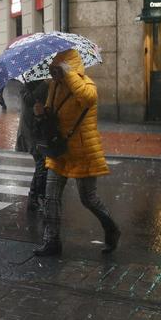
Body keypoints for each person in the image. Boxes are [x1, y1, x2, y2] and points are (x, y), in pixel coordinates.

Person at [33, 49, 119, 256]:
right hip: (59, 150)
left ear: (69, 68)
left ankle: (111, 228)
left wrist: (69, 74)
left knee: (88, 198)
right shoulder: (54, 86)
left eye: (57, 68)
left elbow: (87, 98)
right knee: (51, 196)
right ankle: (51, 241)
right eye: (53, 68)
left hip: (83, 151)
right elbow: (51, 116)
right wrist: (41, 114)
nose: (53, 73)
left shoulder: (87, 84)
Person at [15, 79, 50, 212]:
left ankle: (36, 197)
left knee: (43, 163)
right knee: (42, 163)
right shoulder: (27, 85)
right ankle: (36, 197)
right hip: (31, 131)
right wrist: (45, 84)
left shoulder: (40, 83)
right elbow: (29, 100)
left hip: (40, 128)